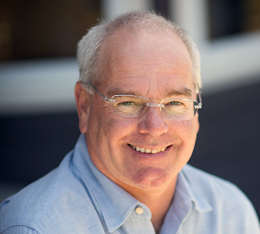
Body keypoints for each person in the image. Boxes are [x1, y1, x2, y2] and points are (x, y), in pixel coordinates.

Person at [0, 11, 259, 234]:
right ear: (85, 107)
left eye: (174, 103)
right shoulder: (34, 227)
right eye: (128, 103)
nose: (155, 127)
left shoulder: (230, 213)